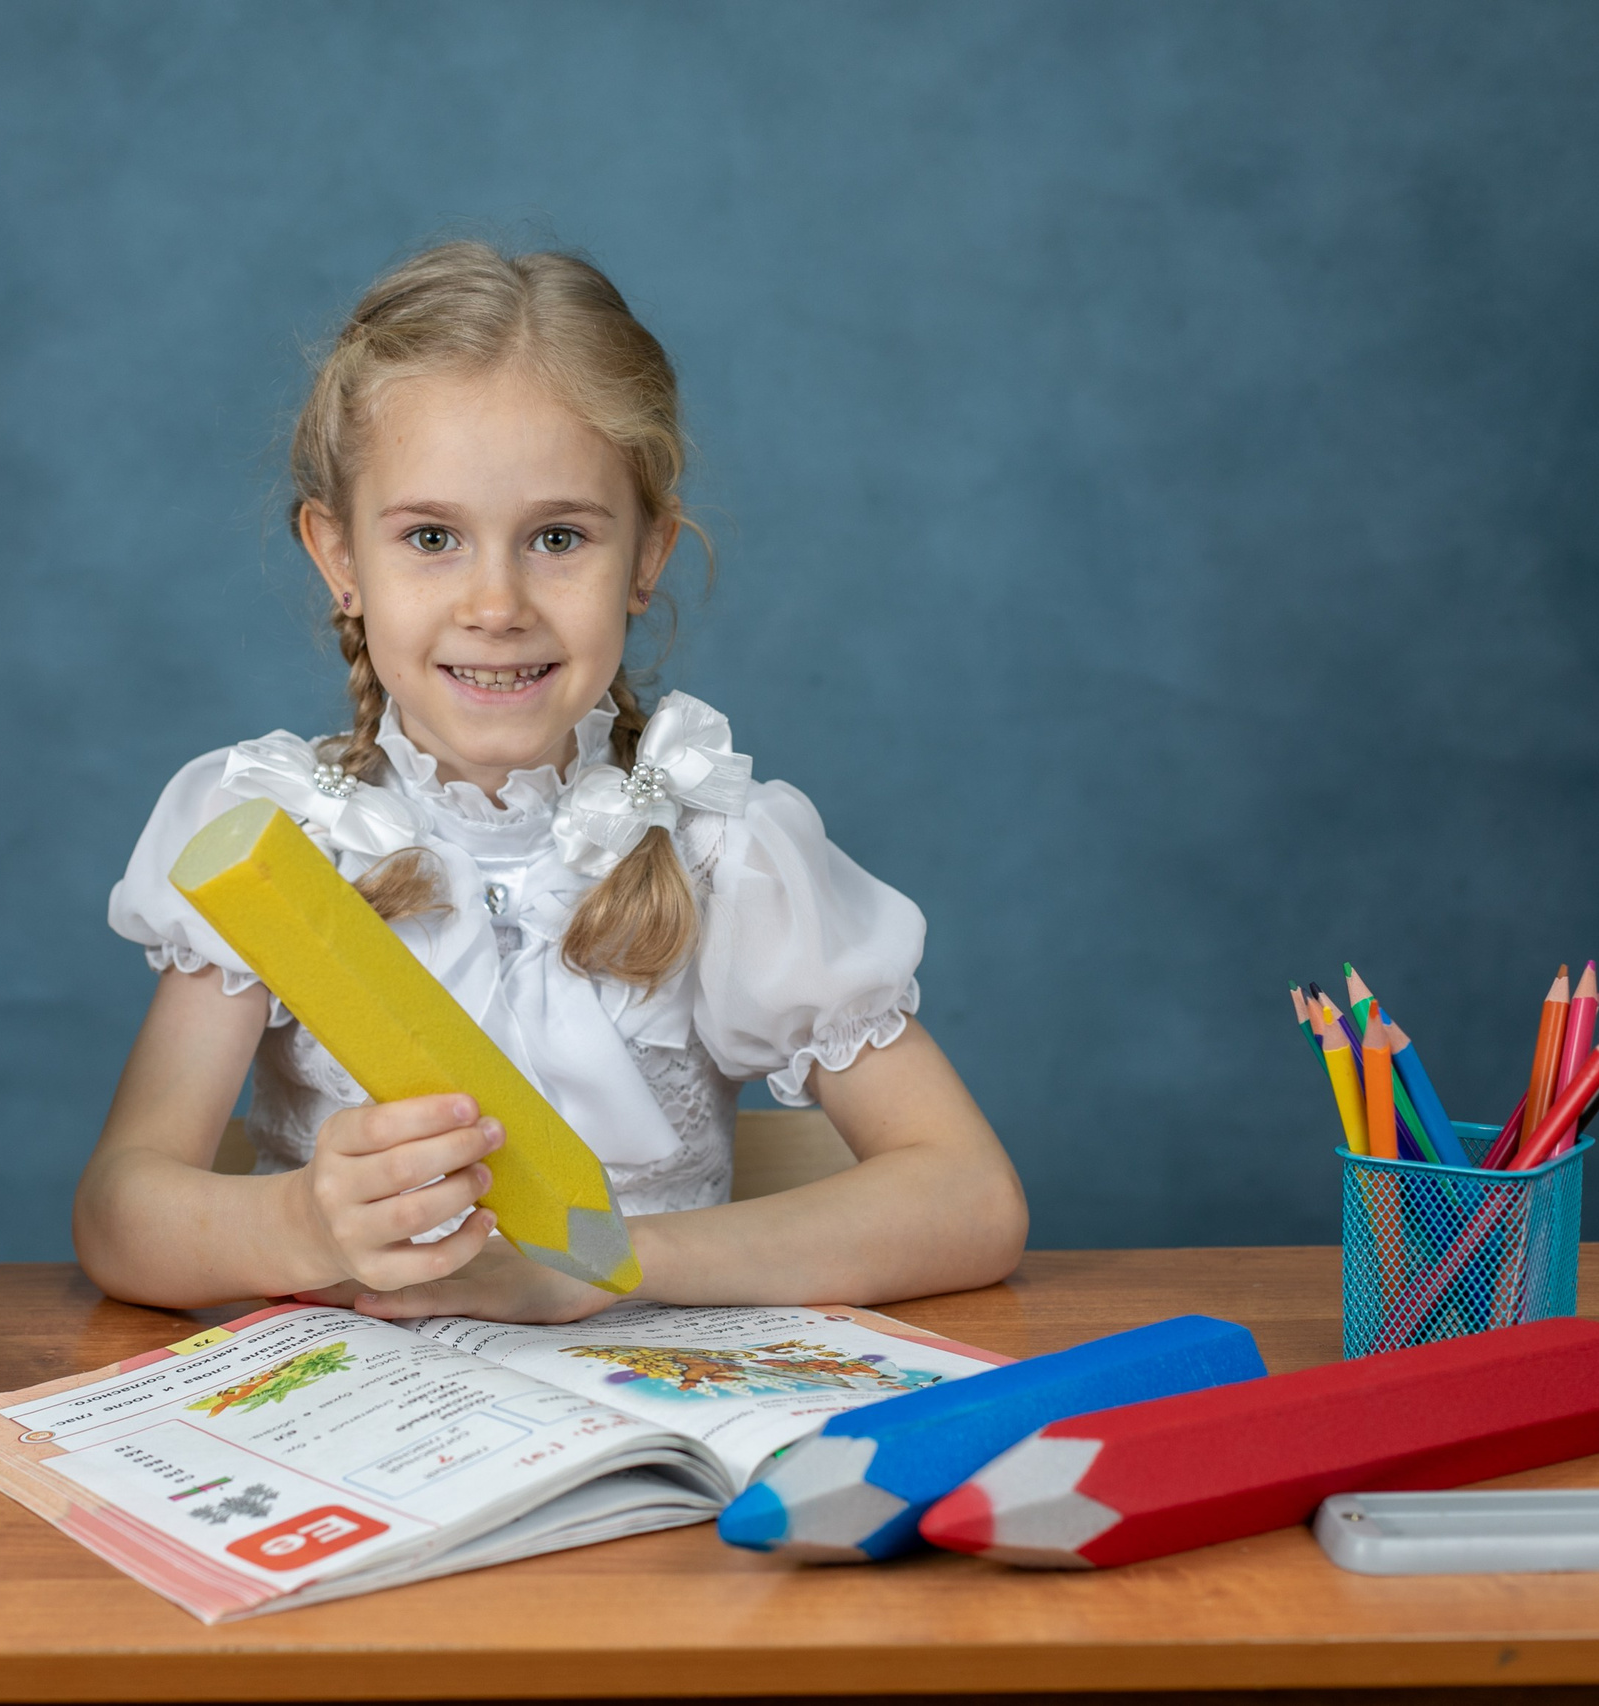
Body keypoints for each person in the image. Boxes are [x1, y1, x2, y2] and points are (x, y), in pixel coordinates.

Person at [74, 242, 1026, 1323]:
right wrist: (304, 1222)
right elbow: (119, 1218)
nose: (496, 602)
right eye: (431, 536)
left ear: (647, 556)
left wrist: (606, 1265)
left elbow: (969, 1196)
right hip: (361, 1440)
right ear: (338, 556)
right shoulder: (282, 843)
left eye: (558, 537)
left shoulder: (722, 849)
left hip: (649, 1429)